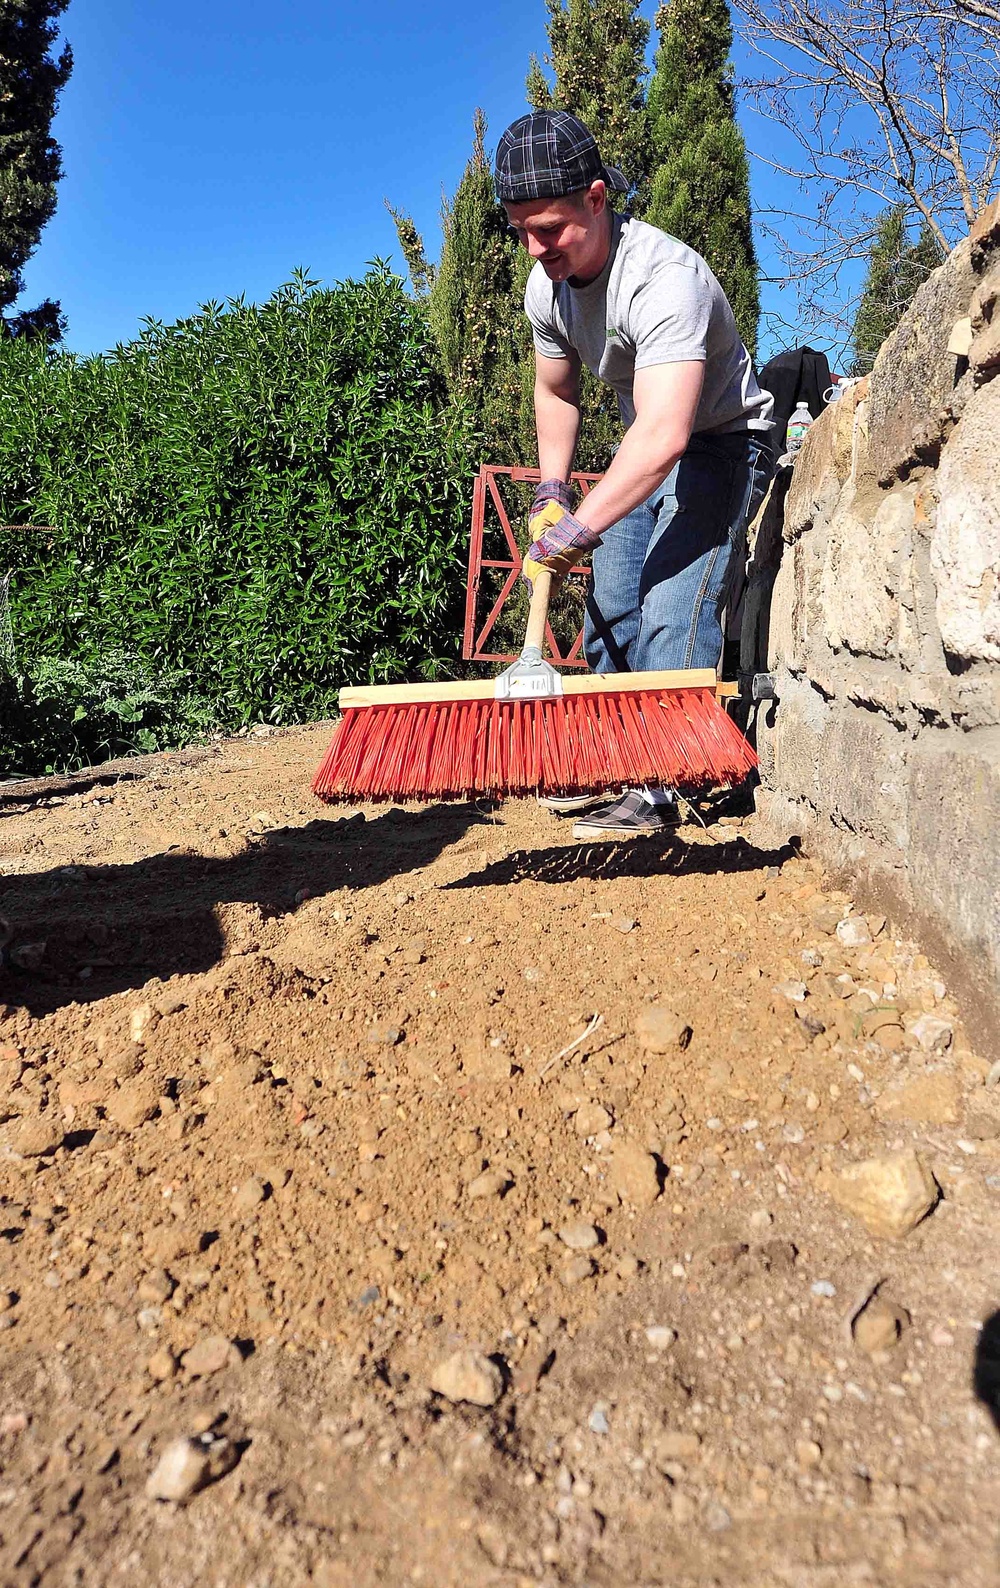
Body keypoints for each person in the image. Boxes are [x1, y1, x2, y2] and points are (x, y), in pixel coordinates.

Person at [494, 109, 774, 839]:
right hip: (642, 448)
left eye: (548, 228)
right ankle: (624, 771)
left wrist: (583, 526)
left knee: (670, 610)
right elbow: (556, 391)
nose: (535, 246)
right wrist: (555, 492)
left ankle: (669, 784)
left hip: (720, 443)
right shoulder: (545, 287)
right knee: (611, 608)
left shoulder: (664, 278)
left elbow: (667, 432)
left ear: (595, 198)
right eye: (520, 228)